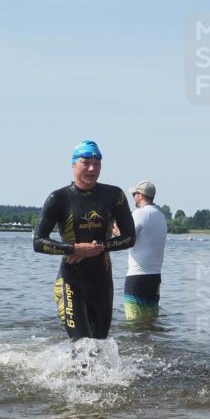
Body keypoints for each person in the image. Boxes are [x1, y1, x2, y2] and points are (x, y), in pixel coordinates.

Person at [33, 140, 136, 340]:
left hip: (102, 282)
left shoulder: (114, 195)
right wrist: (73, 249)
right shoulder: (59, 198)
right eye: (86, 162)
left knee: (99, 344)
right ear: (73, 165)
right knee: (82, 344)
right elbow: (38, 242)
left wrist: (99, 248)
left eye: (97, 163)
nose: (92, 168)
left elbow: (130, 238)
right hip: (70, 282)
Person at [124, 180, 167, 321]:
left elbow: (126, 239)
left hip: (137, 277)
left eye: (134, 194)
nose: (133, 197)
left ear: (140, 195)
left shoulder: (139, 214)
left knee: (134, 323)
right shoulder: (161, 216)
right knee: (150, 322)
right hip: (155, 278)